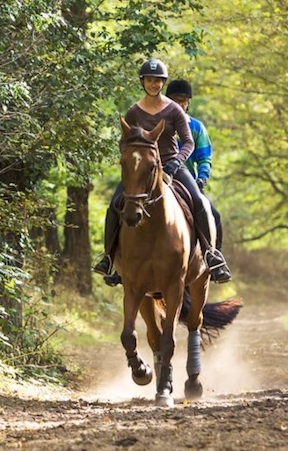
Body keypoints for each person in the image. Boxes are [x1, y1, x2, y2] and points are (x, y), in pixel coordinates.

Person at [93, 58, 231, 285]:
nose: (153, 85)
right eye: (149, 80)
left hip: (171, 166)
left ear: (162, 82)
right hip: (143, 171)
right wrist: (131, 160)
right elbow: (124, 141)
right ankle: (108, 256)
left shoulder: (174, 109)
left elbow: (189, 142)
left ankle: (211, 255)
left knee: (198, 201)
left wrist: (177, 161)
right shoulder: (134, 111)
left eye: (158, 81)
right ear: (143, 82)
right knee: (116, 203)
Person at [166, 78, 229, 282]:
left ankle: (213, 257)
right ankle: (116, 260)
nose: (179, 103)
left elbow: (204, 157)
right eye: (175, 99)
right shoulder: (158, 122)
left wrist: (202, 178)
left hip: (186, 178)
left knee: (213, 213)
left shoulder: (196, 127)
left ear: (188, 102)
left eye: (183, 100)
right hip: (158, 176)